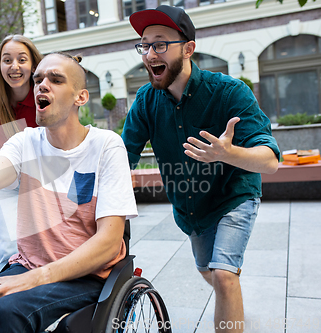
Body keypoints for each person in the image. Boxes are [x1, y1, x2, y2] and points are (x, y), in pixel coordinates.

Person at [0, 52, 138, 333]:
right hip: (30, 265)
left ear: (81, 97)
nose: (42, 85)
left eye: (55, 79)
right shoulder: (24, 142)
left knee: (8, 311)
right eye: (38, 78)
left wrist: (38, 278)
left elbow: (109, 242)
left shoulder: (106, 146)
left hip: (87, 274)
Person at [123, 6, 280, 333]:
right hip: (190, 210)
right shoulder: (145, 101)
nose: (150, 53)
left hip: (234, 196)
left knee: (223, 276)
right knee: (210, 272)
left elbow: (270, 160)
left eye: (160, 44)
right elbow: (125, 156)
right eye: (144, 44)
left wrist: (228, 153)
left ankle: (229, 294)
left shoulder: (229, 92)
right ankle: (232, 301)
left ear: (189, 48)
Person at [0, 35, 43, 276]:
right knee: (6, 246)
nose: (14, 66)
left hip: (42, 173)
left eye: (22, 59)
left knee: (42, 239)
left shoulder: (44, 95)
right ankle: (5, 278)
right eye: (7, 60)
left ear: (33, 64)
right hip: (8, 175)